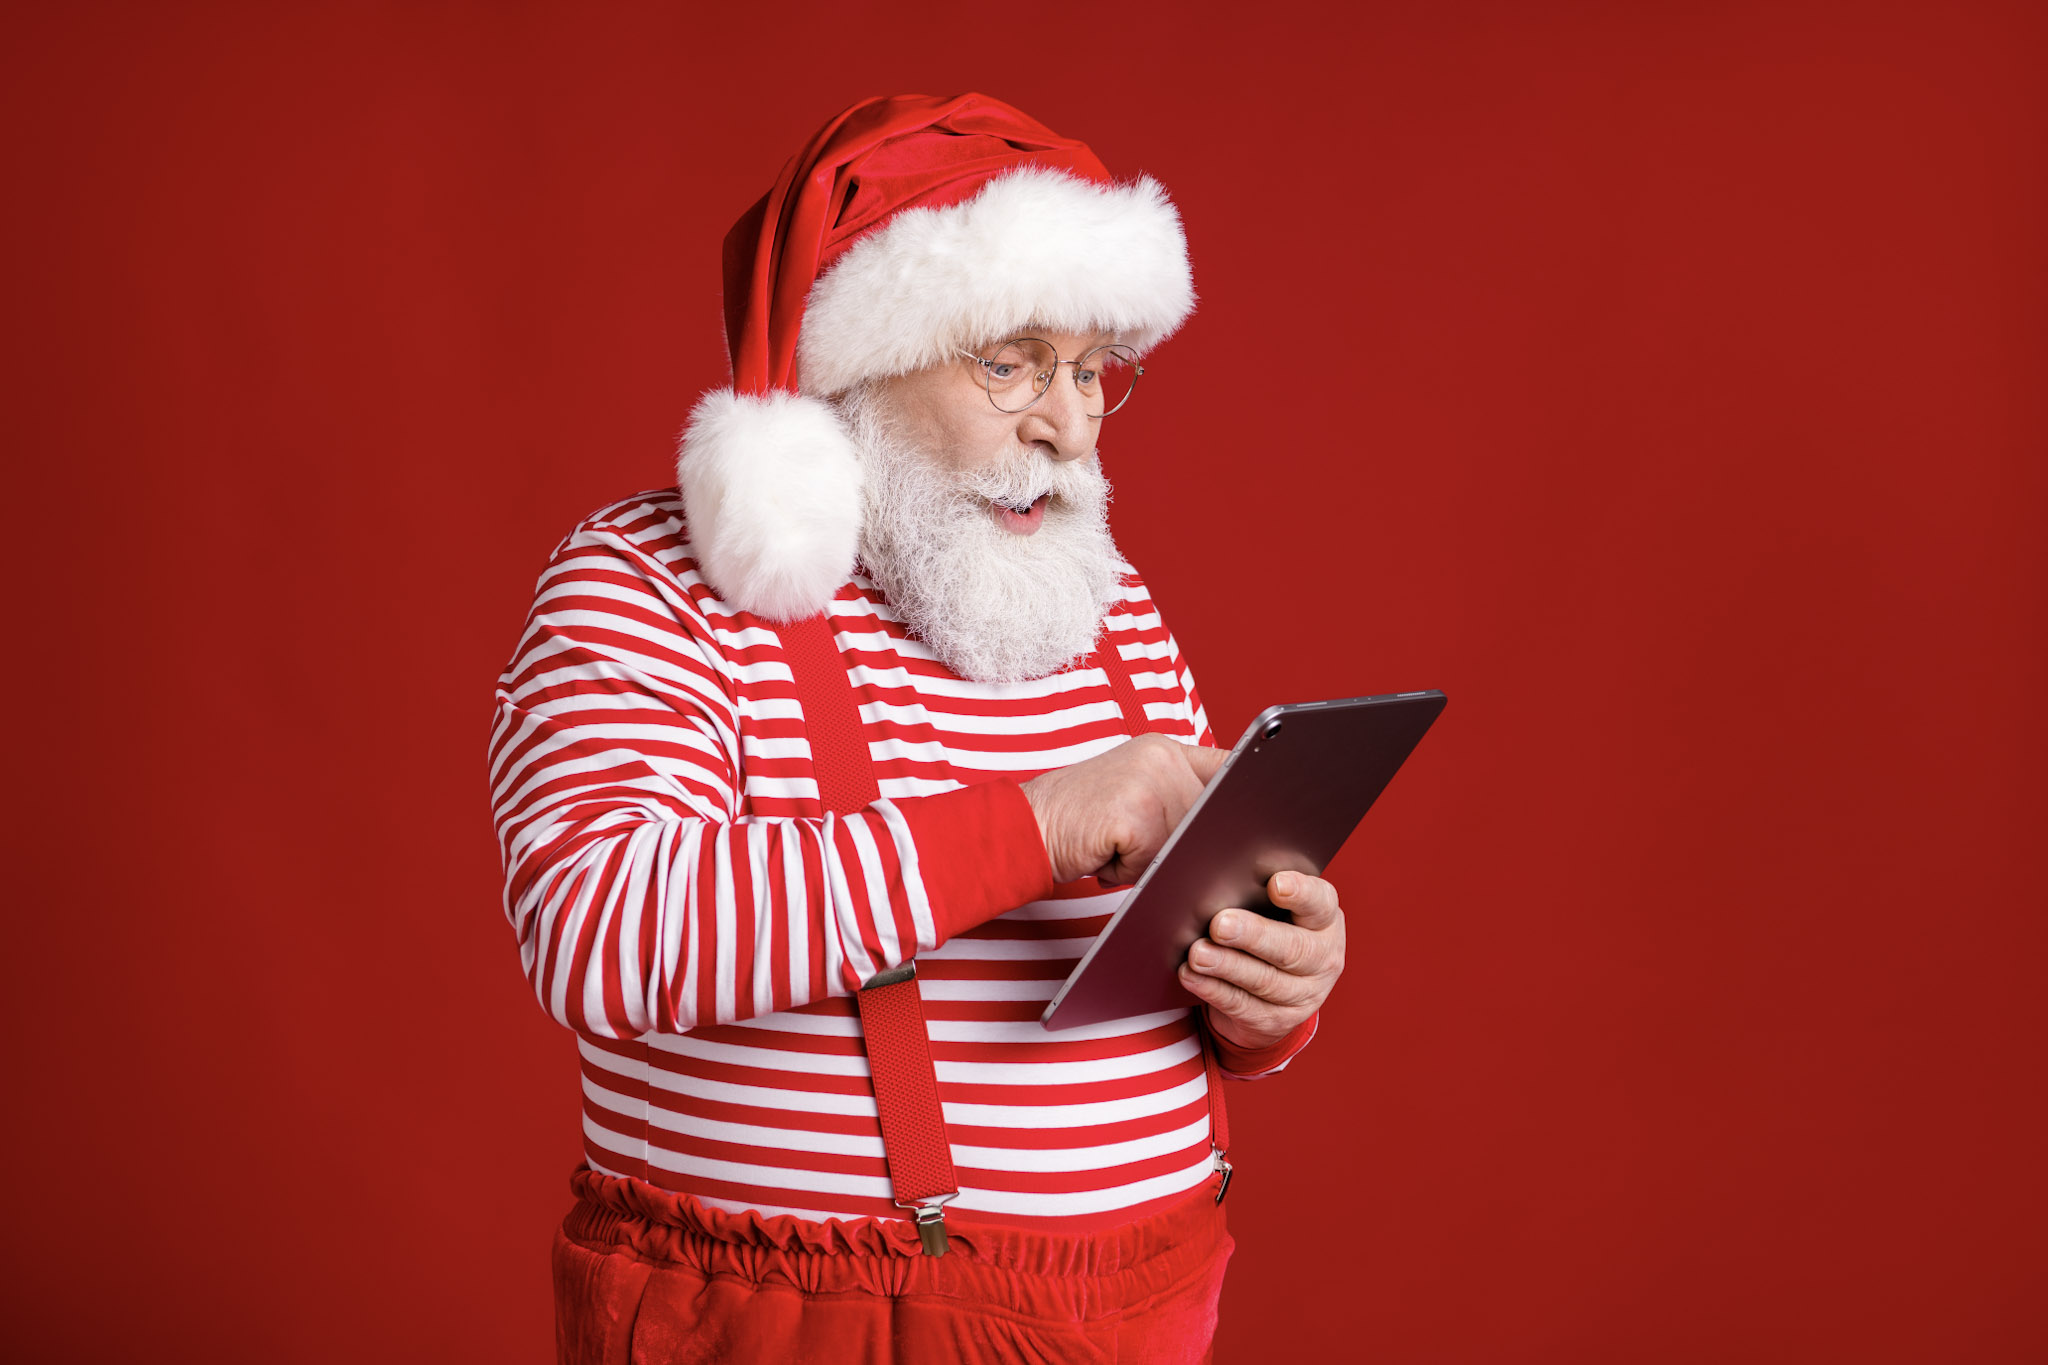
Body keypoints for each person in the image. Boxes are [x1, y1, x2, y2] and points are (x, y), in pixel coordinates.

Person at [489, 92, 1348, 1365]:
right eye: (1007, 360)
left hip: (1148, 1307)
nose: (1065, 421)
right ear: (858, 361)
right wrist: (1042, 821)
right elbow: (598, 934)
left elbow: (1157, 961)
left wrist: (1266, 994)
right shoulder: (648, 583)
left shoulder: (1109, 604)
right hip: (811, 1323)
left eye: (1088, 366)